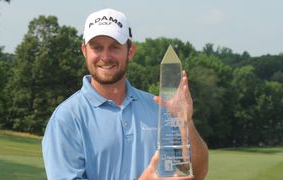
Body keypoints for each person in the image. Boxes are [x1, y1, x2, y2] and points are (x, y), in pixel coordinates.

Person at [42, 8, 208, 180]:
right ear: (85, 51)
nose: (105, 57)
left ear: (130, 51)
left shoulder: (158, 107)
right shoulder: (66, 118)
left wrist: (185, 121)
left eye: (114, 47)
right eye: (97, 48)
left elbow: (198, 174)